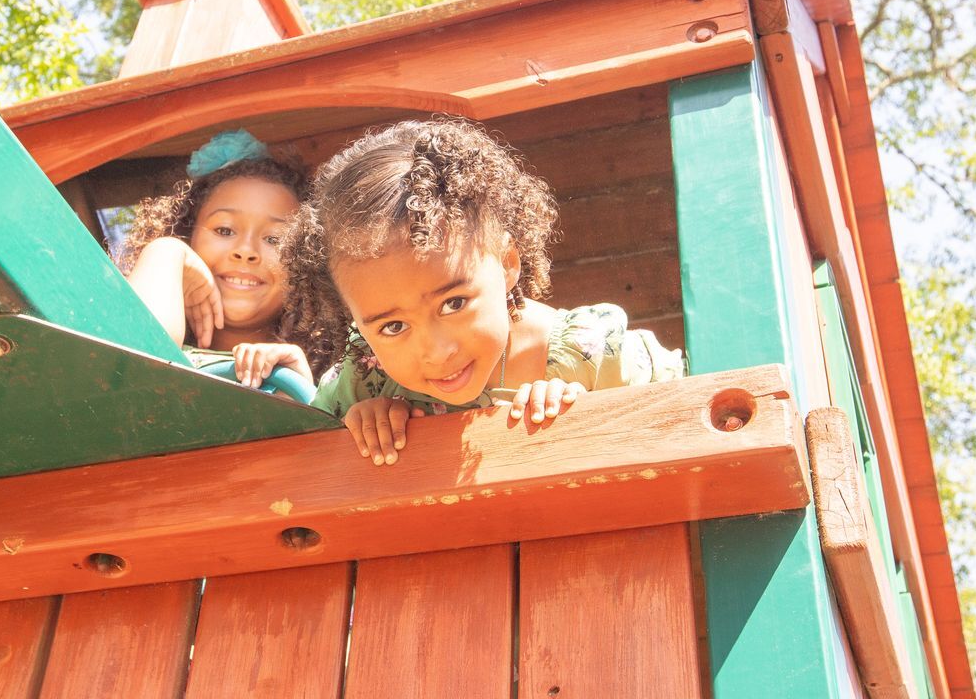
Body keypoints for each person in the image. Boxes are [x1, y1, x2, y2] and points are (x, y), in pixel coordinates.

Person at [282, 117, 683, 464]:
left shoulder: (596, 359)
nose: (437, 351)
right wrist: (357, 428)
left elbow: (699, 418)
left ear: (508, 262)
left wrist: (596, 415)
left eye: (453, 303)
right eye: (393, 327)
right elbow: (298, 465)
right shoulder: (367, 379)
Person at [120, 130, 313, 388]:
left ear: (307, 263)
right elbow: (132, 365)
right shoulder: (170, 254)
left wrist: (295, 383)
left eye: (274, 239)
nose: (245, 251)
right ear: (187, 234)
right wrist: (166, 251)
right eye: (224, 230)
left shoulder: (330, 379)